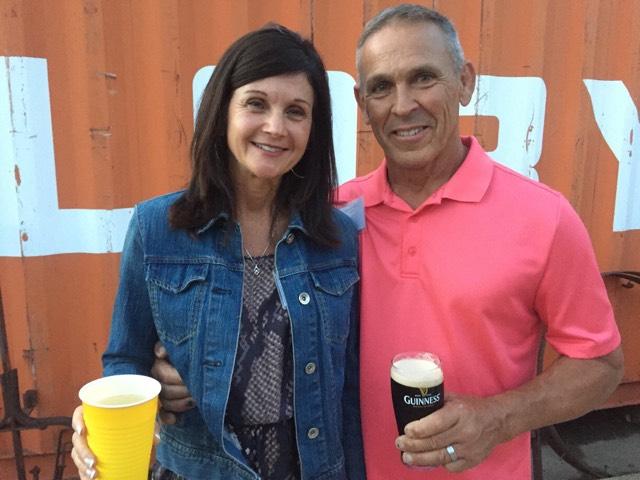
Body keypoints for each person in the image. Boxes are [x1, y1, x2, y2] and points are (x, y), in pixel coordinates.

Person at [150, 4, 625, 480]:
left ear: (464, 82)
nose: (402, 105)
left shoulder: (543, 217)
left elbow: (600, 364)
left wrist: (497, 418)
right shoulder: (328, 220)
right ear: (362, 102)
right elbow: (256, 331)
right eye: (381, 87)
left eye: (423, 78)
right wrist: (172, 374)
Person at [70, 24, 365, 480]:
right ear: (223, 109)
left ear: (314, 128)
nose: (275, 127)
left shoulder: (336, 238)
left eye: (296, 111)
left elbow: (348, 393)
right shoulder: (157, 228)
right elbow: (125, 359)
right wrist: (115, 405)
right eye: (256, 103)